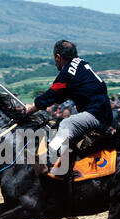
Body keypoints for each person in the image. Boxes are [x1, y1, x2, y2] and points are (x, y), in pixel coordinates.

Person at [26, 40, 112, 176]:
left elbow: (51, 95)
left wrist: (30, 110)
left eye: (55, 59)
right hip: (102, 112)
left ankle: (47, 161)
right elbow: (61, 96)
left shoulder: (68, 72)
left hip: (95, 114)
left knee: (67, 124)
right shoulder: (80, 64)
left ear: (58, 57)